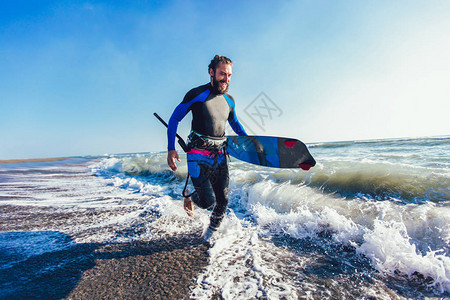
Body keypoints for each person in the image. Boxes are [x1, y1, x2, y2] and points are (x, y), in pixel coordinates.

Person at [167, 55, 247, 244]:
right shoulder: (197, 94)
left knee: (223, 200)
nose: (226, 79)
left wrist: (249, 141)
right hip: (197, 154)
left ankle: (210, 235)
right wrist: (171, 149)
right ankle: (189, 197)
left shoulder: (230, 100)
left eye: (229, 75)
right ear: (211, 72)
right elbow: (174, 119)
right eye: (222, 74)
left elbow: (235, 123)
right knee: (207, 201)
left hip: (220, 155)